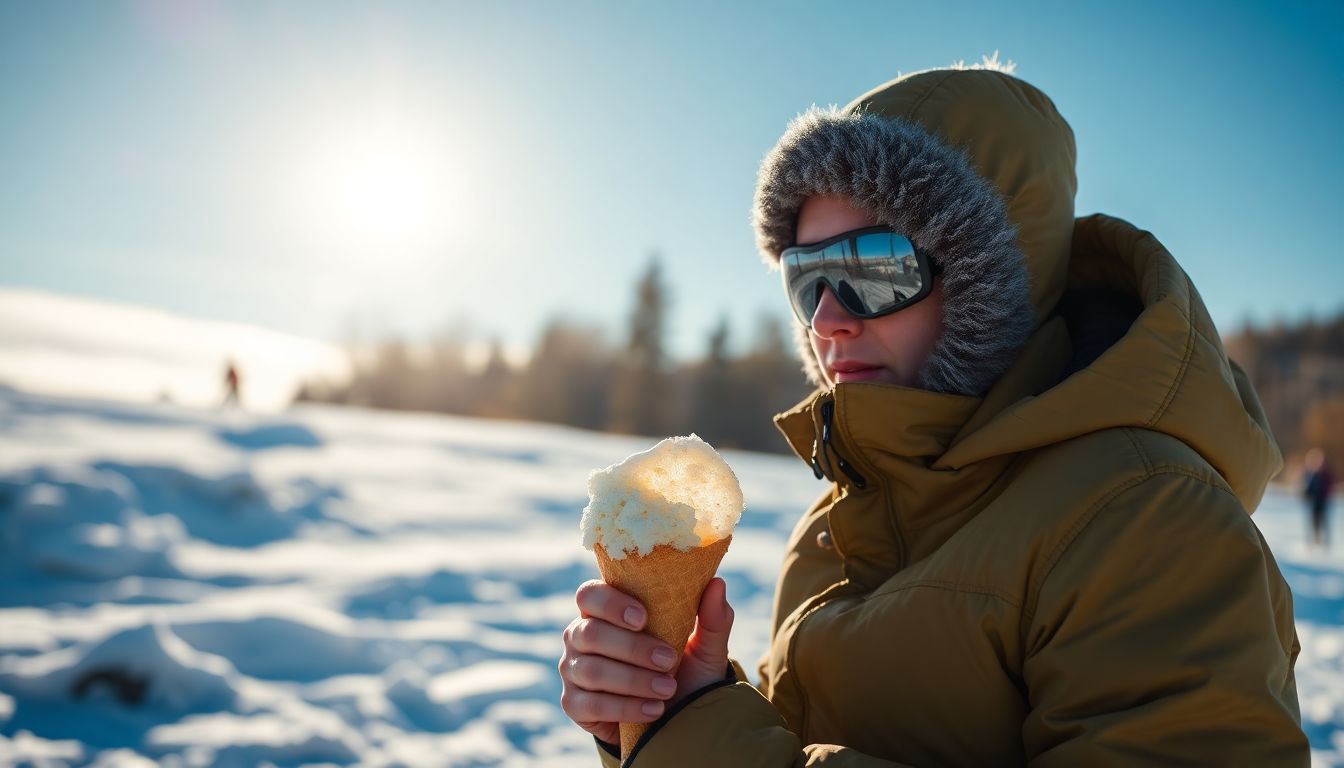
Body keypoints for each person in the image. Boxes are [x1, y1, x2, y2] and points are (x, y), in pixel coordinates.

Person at [560, 63, 1308, 765]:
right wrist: (659, 712)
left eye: (874, 271)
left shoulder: (1147, 518)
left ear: (990, 286)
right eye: (806, 276)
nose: (826, 319)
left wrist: (710, 741)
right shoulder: (834, 524)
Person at [1303, 448, 1335, 549]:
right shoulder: (1310, 473)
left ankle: (1326, 541)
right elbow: (1307, 486)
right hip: (1314, 501)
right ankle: (1314, 540)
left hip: (1323, 501)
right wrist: (1306, 494)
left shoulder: (1326, 473)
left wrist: (1325, 494)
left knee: (1324, 520)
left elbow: (1330, 486)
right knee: (1313, 520)